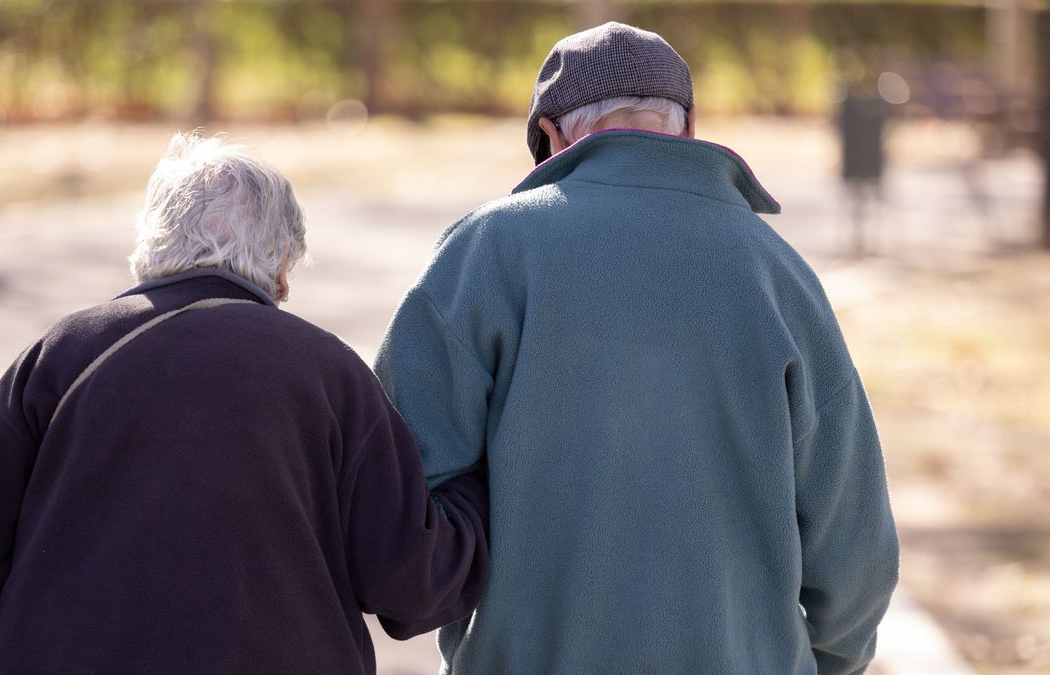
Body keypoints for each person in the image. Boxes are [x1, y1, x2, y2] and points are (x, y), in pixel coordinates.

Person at [375, 22, 899, 675]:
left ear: (553, 138)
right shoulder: (776, 271)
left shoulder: (486, 253)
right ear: (685, 130)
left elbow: (403, 495)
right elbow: (855, 544)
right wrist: (820, 659)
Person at [0, 132, 490, 674]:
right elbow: (411, 582)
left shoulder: (62, 356)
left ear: (151, 240)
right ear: (283, 261)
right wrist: (477, 491)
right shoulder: (329, 372)